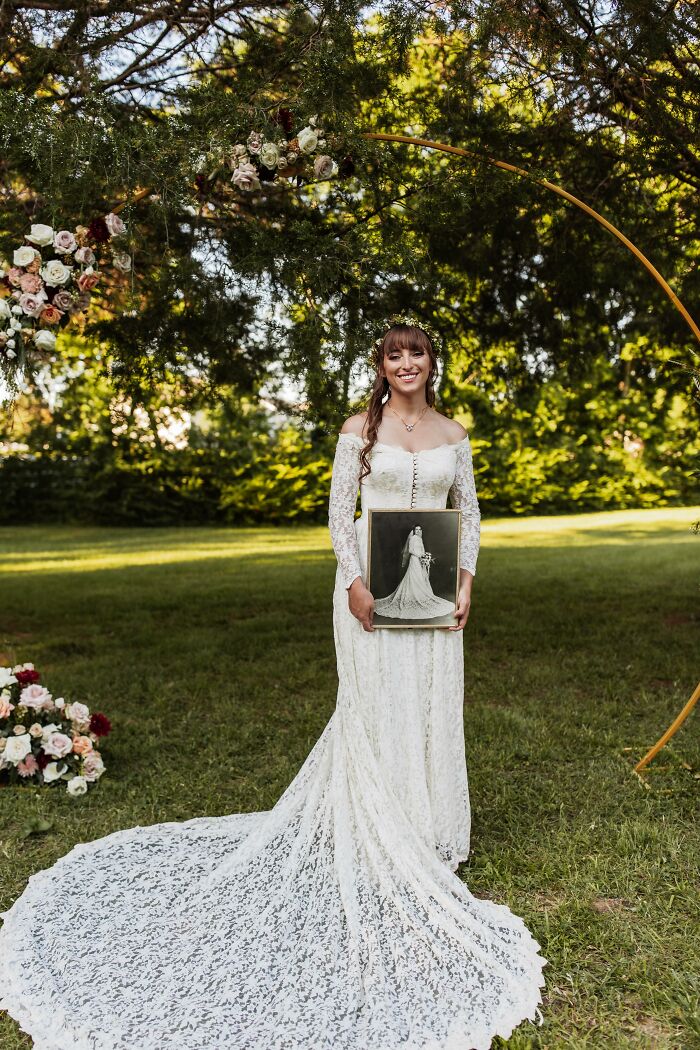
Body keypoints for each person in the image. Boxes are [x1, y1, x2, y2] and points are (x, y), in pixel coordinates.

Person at [0, 317, 547, 1050]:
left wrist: (470, 580)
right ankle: (377, 826)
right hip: (369, 591)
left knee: (425, 706)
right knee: (374, 706)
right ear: (380, 365)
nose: (406, 363)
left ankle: (425, 829)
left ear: (431, 361)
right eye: (394, 354)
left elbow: (469, 514)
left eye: (417, 352)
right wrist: (353, 582)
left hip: (435, 586)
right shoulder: (362, 425)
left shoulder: (453, 431)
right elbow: (336, 513)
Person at [373, 525, 457, 620]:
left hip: (420, 560)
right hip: (414, 560)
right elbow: (410, 550)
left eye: (419, 529)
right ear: (414, 530)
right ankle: (411, 596)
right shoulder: (413, 538)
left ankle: (420, 596)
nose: (417, 531)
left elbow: (422, 550)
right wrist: (420, 556)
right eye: (416, 529)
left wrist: (425, 556)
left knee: (420, 577)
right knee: (414, 576)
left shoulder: (420, 539)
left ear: (421, 530)